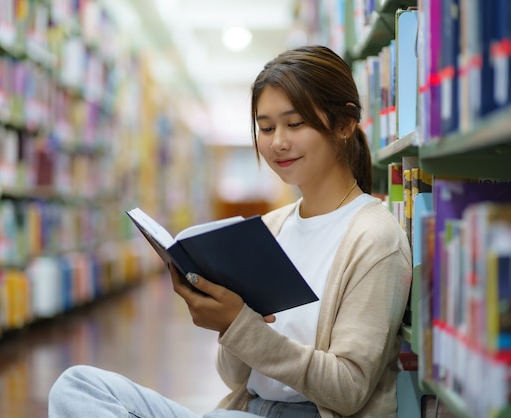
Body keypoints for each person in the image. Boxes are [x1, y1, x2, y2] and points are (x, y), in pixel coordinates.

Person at [48, 45, 412, 418]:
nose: (277, 142)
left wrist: (239, 325)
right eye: (266, 127)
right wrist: (227, 321)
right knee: (77, 387)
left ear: (344, 124)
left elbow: (348, 388)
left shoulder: (374, 238)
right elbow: (235, 377)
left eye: (295, 123)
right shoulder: (272, 228)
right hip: (250, 410)